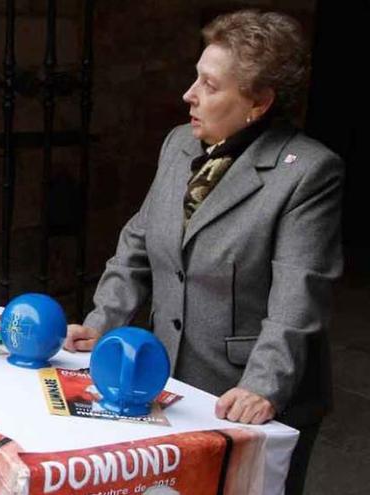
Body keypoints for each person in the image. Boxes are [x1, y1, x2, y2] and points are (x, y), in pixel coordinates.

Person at [63, 10, 343, 495]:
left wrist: (263, 386)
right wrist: (101, 322)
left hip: (245, 393)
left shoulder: (308, 173)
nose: (189, 94)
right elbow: (137, 245)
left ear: (258, 102)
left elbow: (298, 296)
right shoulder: (178, 144)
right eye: (196, 77)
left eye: (209, 85)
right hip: (167, 380)